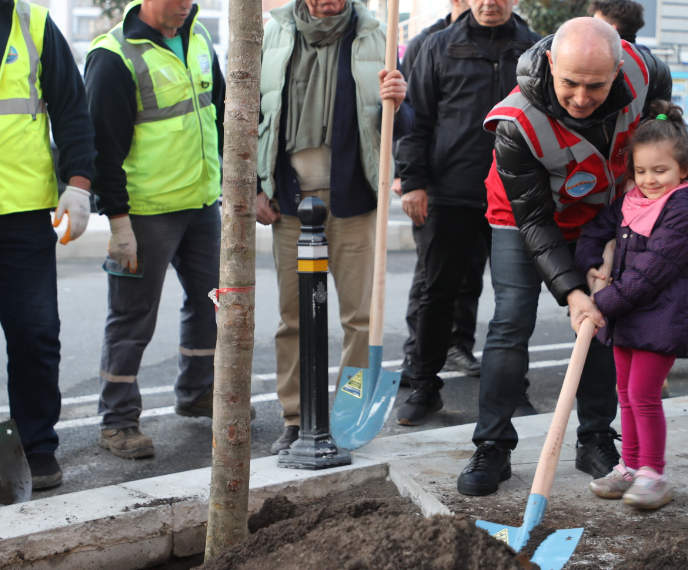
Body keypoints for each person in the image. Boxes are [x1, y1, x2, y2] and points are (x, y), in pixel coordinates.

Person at [456, 17, 672, 497]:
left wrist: (658, 119)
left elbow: (659, 83)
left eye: (595, 85)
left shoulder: (638, 68)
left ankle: (595, 437)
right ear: (551, 62)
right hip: (522, 217)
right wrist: (573, 292)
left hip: (601, 213)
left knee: (603, 319)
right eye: (569, 82)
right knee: (512, 321)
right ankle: (493, 444)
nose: (580, 97)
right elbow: (535, 222)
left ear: (618, 69)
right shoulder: (516, 123)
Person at [256, 0, 413, 454]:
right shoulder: (275, 33)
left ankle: (347, 415)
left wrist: (399, 103)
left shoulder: (374, 35)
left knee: (361, 318)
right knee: (293, 317)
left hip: (353, 196)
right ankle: (296, 417)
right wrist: (255, 186)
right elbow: (251, 113)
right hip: (289, 198)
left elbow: (400, 124)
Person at [85, 0, 227, 459]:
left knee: (212, 306)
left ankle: (196, 393)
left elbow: (221, 111)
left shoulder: (199, 36)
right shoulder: (114, 56)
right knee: (132, 318)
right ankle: (118, 421)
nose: (185, 4)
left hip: (202, 203)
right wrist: (118, 222)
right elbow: (102, 149)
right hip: (145, 215)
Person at [393, 0, 540, 426]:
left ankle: (515, 391)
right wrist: (414, 181)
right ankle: (423, 386)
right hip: (451, 192)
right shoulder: (438, 46)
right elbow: (415, 121)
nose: (489, 2)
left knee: (514, 300)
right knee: (436, 295)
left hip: (516, 195)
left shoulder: (535, 50)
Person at [576, 102, 688, 509]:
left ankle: (653, 474)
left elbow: (652, 270)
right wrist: (590, 266)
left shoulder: (685, 209)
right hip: (627, 311)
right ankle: (630, 466)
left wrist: (601, 303)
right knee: (624, 393)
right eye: (641, 172)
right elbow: (595, 231)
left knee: (643, 395)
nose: (649, 180)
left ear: (685, 169)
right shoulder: (631, 201)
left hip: (664, 312)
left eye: (660, 171)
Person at [1, 0, 96, 489]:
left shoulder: (32, 23)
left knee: (35, 333)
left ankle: (37, 444)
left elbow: (71, 109)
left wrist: (78, 184)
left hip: (21, 213)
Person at [396, 0, 485, 379]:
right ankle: (417, 355)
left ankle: (457, 344)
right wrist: (409, 178)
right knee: (430, 279)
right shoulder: (426, 44)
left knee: (470, 275)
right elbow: (412, 118)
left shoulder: (516, 46)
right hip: (438, 187)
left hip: (482, 190)